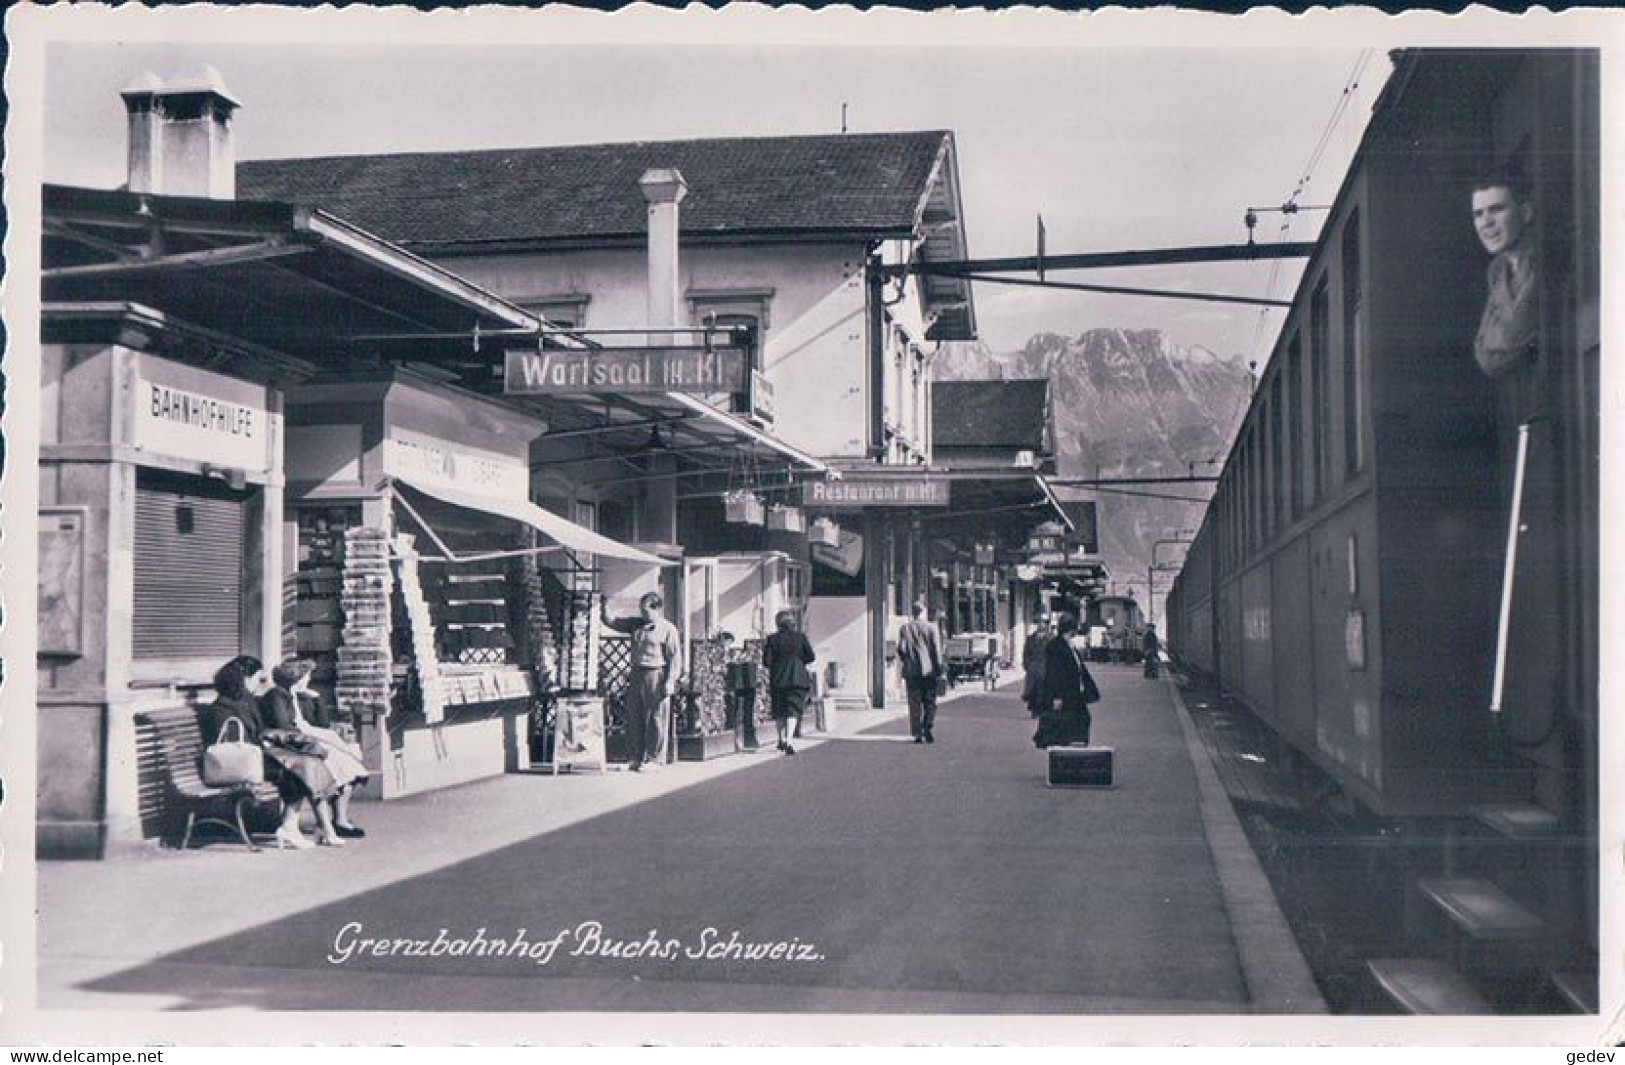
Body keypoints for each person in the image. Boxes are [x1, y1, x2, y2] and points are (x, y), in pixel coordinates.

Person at [199, 655, 340, 849]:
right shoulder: (222, 708)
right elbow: (234, 744)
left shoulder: (243, 702)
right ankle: (291, 827)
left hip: (253, 758)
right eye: (258, 678)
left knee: (306, 764)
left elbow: (259, 732)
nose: (259, 683)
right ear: (245, 679)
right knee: (298, 770)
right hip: (237, 764)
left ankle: (292, 826)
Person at [264, 659, 369, 840]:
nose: (308, 680)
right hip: (290, 747)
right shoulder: (277, 696)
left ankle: (339, 820)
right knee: (333, 765)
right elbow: (284, 727)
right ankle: (329, 825)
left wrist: (317, 699)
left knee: (349, 765)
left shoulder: (296, 696)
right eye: (306, 676)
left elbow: (323, 723)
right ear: (295, 678)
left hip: (303, 743)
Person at [602, 592, 682, 773]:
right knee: (634, 716)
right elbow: (612, 622)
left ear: (657, 609)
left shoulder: (668, 629)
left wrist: (670, 681)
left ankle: (655, 758)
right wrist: (604, 605)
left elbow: (675, 658)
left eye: (647, 611)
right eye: (642, 610)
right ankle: (635, 757)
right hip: (637, 674)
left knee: (655, 718)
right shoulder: (635, 624)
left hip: (656, 674)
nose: (643, 614)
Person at [1033, 614, 1100, 749]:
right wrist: (1056, 697)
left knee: (1081, 720)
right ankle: (1065, 753)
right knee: (1069, 723)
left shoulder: (1070, 645)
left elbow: (1079, 668)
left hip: (1075, 693)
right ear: (1070, 629)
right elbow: (1054, 673)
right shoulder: (1056, 646)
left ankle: (1073, 749)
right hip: (1064, 694)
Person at [761, 610, 816, 756]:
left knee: (779, 710)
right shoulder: (800, 637)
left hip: (778, 679)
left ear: (777, 623)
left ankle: (780, 739)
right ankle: (789, 740)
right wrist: (798, 662)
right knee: (793, 709)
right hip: (797, 678)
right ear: (792, 623)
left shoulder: (772, 639)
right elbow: (811, 656)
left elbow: (767, 662)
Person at [896, 600, 944, 744]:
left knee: (914, 702)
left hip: (912, 672)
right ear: (923, 612)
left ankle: (917, 733)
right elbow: (936, 650)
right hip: (929, 671)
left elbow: (901, 649)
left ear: (913, 612)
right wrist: (939, 667)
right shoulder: (931, 628)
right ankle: (927, 726)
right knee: (930, 700)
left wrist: (907, 662)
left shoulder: (905, 628)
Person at [1021, 613, 1053, 717]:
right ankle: (1034, 709)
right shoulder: (1031, 638)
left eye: (1043, 623)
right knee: (1032, 690)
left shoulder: (1051, 639)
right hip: (1033, 667)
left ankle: (1042, 709)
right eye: (1039, 623)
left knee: (1043, 690)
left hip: (1046, 667)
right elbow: (1026, 653)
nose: (1041, 625)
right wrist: (1027, 665)